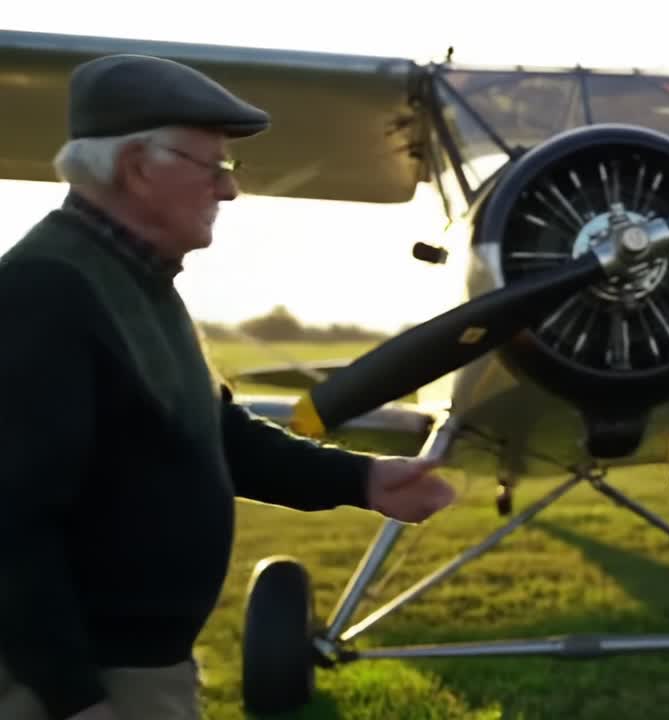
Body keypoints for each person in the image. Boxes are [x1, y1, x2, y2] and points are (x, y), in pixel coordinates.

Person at [0, 54, 457, 720]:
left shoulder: (131, 281)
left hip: (133, 670)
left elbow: (212, 433)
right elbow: (12, 526)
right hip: (81, 684)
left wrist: (361, 481)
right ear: (136, 167)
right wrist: (76, 700)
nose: (229, 190)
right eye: (212, 166)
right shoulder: (45, 293)